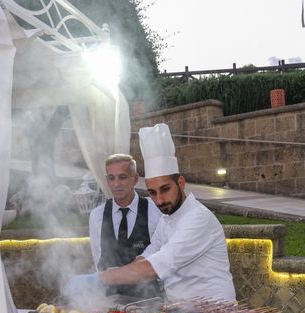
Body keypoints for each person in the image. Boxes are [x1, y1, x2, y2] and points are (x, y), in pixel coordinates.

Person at [65, 124, 236, 303]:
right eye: (152, 192)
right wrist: (115, 274)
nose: (160, 200)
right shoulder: (168, 218)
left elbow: (155, 266)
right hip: (182, 312)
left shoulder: (197, 219)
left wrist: (99, 279)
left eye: (165, 189)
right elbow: (148, 254)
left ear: (181, 182)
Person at [88, 153, 162, 298]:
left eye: (122, 177)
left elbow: (162, 258)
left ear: (135, 179)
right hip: (110, 299)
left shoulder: (155, 211)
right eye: (111, 178)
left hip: (148, 298)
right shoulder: (97, 215)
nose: (116, 184)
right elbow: (98, 258)